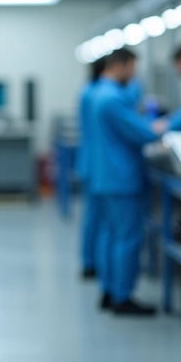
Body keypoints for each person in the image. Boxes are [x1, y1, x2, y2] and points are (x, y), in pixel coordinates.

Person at [86, 47, 162, 316]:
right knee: (127, 237)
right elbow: (142, 132)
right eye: (133, 68)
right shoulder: (113, 98)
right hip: (121, 178)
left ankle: (109, 290)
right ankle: (122, 296)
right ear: (122, 65)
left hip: (104, 175)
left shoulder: (97, 93)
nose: (134, 75)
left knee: (110, 234)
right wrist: (159, 127)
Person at [77, 56, 107, 279]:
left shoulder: (88, 91)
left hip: (92, 161)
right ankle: (93, 263)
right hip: (102, 165)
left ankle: (90, 262)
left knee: (93, 217)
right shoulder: (103, 94)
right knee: (101, 220)